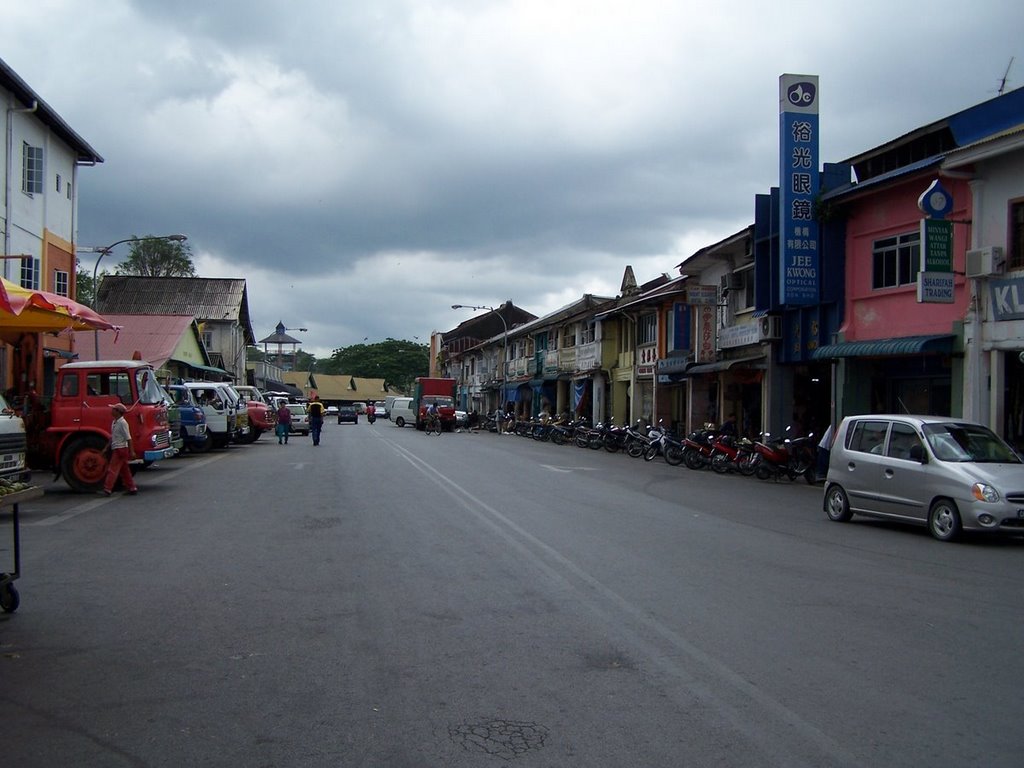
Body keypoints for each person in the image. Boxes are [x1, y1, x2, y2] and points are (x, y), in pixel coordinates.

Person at [101, 402, 138, 496]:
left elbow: (128, 438)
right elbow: (112, 437)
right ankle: (132, 487)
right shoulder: (115, 422)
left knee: (112, 469)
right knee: (124, 470)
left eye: (113, 409)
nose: (111, 410)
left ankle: (107, 489)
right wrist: (106, 448)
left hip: (120, 448)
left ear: (118, 411)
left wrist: (132, 451)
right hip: (118, 447)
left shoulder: (122, 423)